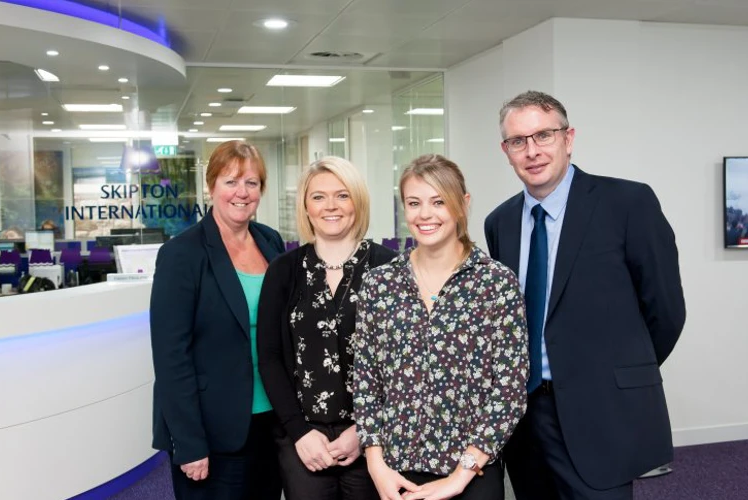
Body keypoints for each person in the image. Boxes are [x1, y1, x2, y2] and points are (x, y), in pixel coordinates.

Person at [485, 90, 687, 499]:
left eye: (544, 135)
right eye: (518, 141)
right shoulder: (500, 222)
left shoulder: (628, 203)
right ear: (506, 151)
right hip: (525, 418)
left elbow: (665, 311)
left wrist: (615, 375)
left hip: (601, 412)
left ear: (568, 138)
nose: (532, 151)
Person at [354, 154, 529, 500]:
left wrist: (460, 475)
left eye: (438, 202)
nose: (425, 214)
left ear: (462, 204)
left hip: (472, 472)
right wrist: (376, 465)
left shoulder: (496, 283)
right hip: (396, 471)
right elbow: (365, 381)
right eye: (414, 203)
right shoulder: (379, 284)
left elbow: (510, 389)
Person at [149, 140, 284, 500]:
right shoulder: (182, 254)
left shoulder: (270, 241)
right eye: (230, 181)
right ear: (211, 187)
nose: (242, 193)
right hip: (211, 430)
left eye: (251, 183)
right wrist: (189, 443)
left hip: (270, 423)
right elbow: (170, 356)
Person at [257, 156, 396, 500]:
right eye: (318, 197)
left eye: (342, 195)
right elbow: (270, 357)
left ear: (358, 202)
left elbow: (401, 362)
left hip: (375, 437)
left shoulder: (389, 267)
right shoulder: (283, 271)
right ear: (305, 206)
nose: (330, 206)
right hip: (304, 439)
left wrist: (364, 431)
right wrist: (300, 433)